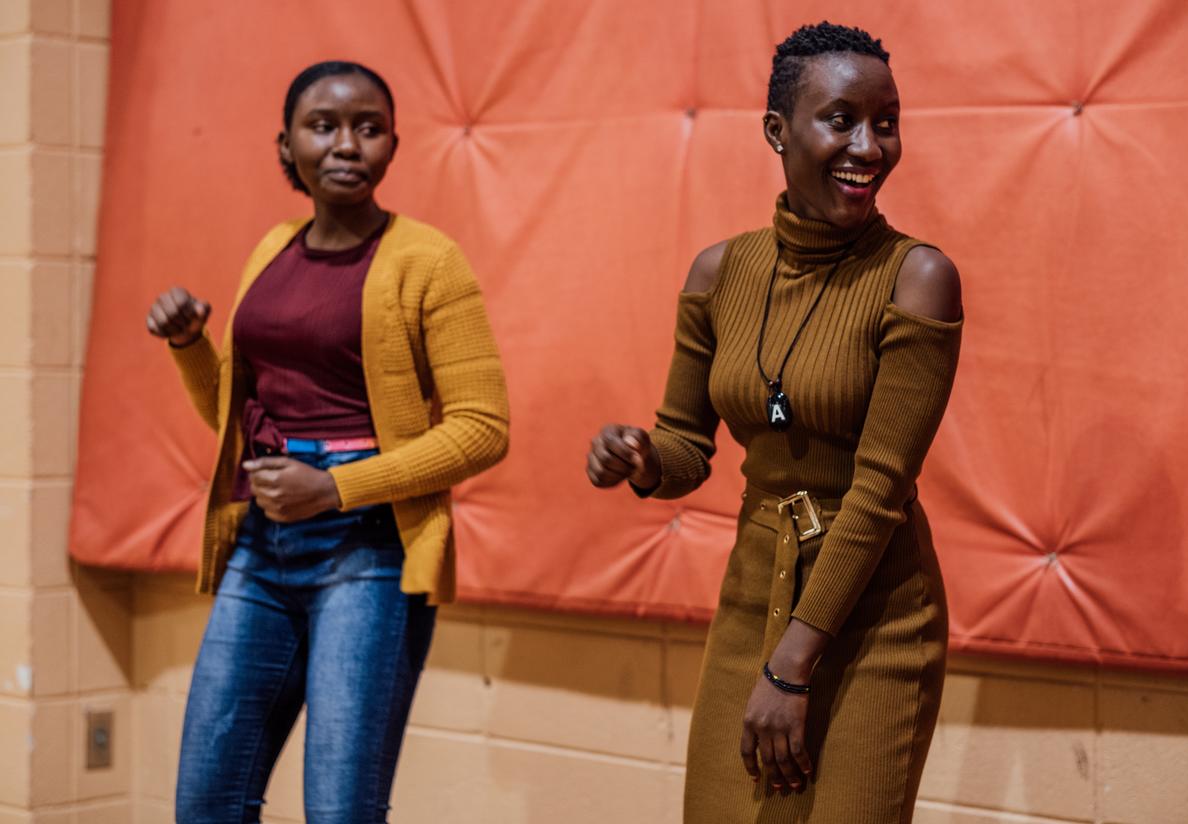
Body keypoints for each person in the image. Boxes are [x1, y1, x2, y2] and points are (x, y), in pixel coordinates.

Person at [586, 22, 962, 823]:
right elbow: (686, 445)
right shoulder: (721, 271)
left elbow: (878, 493)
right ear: (777, 130)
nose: (869, 146)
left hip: (873, 616)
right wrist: (643, 458)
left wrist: (792, 667)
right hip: (754, 594)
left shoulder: (918, 278)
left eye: (887, 122)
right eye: (841, 120)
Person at [146, 60, 508, 822]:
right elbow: (232, 416)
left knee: (340, 810)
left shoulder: (429, 260)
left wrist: (336, 487)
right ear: (287, 146)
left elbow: (483, 430)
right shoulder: (272, 249)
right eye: (324, 126)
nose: (347, 144)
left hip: (369, 550)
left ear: (392, 146)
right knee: (206, 802)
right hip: (263, 544)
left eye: (368, 128)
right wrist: (188, 345)